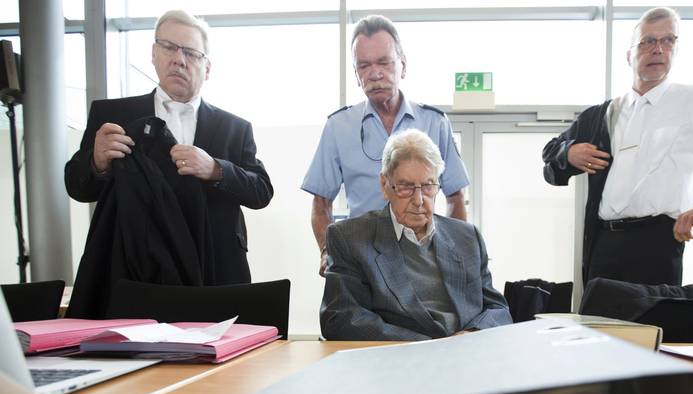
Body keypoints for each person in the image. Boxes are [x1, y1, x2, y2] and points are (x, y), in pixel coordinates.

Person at [542, 6, 693, 287]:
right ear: (629, 55)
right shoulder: (603, 114)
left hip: (657, 244)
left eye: (668, 41)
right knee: (596, 325)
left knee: (652, 327)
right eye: (647, 41)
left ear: (676, 50)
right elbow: (550, 154)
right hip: (602, 242)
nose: (658, 49)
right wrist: (568, 152)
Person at [65, 9, 272, 290]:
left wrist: (215, 169)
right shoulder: (113, 114)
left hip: (214, 267)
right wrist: (97, 161)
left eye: (190, 52)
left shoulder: (235, 127)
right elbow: (77, 187)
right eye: (169, 47)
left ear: (207, 67)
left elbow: (261, 191)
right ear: (154, 54)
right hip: (134, 267)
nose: (178, 59)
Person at [302, 15, 469, 276]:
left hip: (422, 261)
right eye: (364, 66)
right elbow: (321, 203)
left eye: (384, 62)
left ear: (402, 66)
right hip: (361, 261)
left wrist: (453, 254)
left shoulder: (434, 122)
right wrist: (328, 251)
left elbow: (456, 197)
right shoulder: (338, 126)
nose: (375, 73)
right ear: (356, 75)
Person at [320, 129, 511, 341]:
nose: (419, 200)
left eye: (428, 186)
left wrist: (470, 336)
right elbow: (341, 318)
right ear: (385, 185)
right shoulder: (350, 238)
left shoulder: (466, 237)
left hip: (465, 356)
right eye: (406, 187)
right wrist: (425, 347)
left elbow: (497, 310)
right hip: (397, 361)